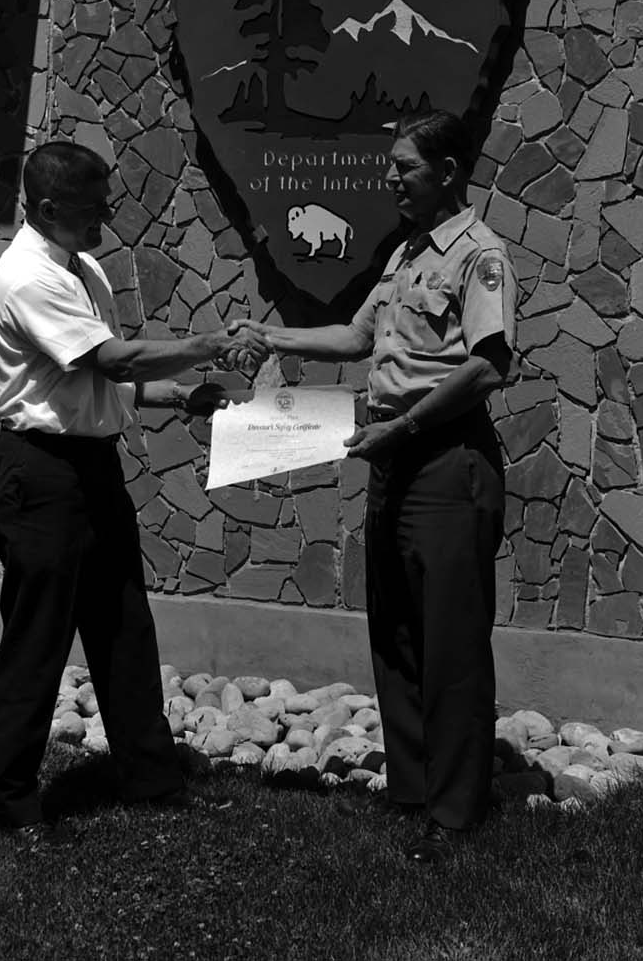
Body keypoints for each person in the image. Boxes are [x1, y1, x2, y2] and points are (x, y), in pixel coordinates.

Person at [247, 111, 516, 865]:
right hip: (393, 460)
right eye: (391, 165)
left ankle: (455, 812)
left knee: (450, 641)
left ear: (450, 171)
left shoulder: (480, 257)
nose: (390, 178)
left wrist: (399, 430)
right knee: (395, 632)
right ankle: (411, 788)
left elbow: (489, 365)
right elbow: (358, 338)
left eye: (405, 166)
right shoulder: (404, 254)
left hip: (444, 460)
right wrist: (271, 335)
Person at [0, 139, 266, 843]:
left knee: (124, 629)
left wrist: (179, 398)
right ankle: (13, 804)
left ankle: (151, 778)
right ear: (48, 208)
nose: (109, 212)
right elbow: (108, 356)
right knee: (37, 642)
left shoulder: (86, 268)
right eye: (93, 204)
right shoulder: (26, 277)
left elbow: (98, 377)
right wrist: (209, 345)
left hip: (91, 472)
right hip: (40, 476)